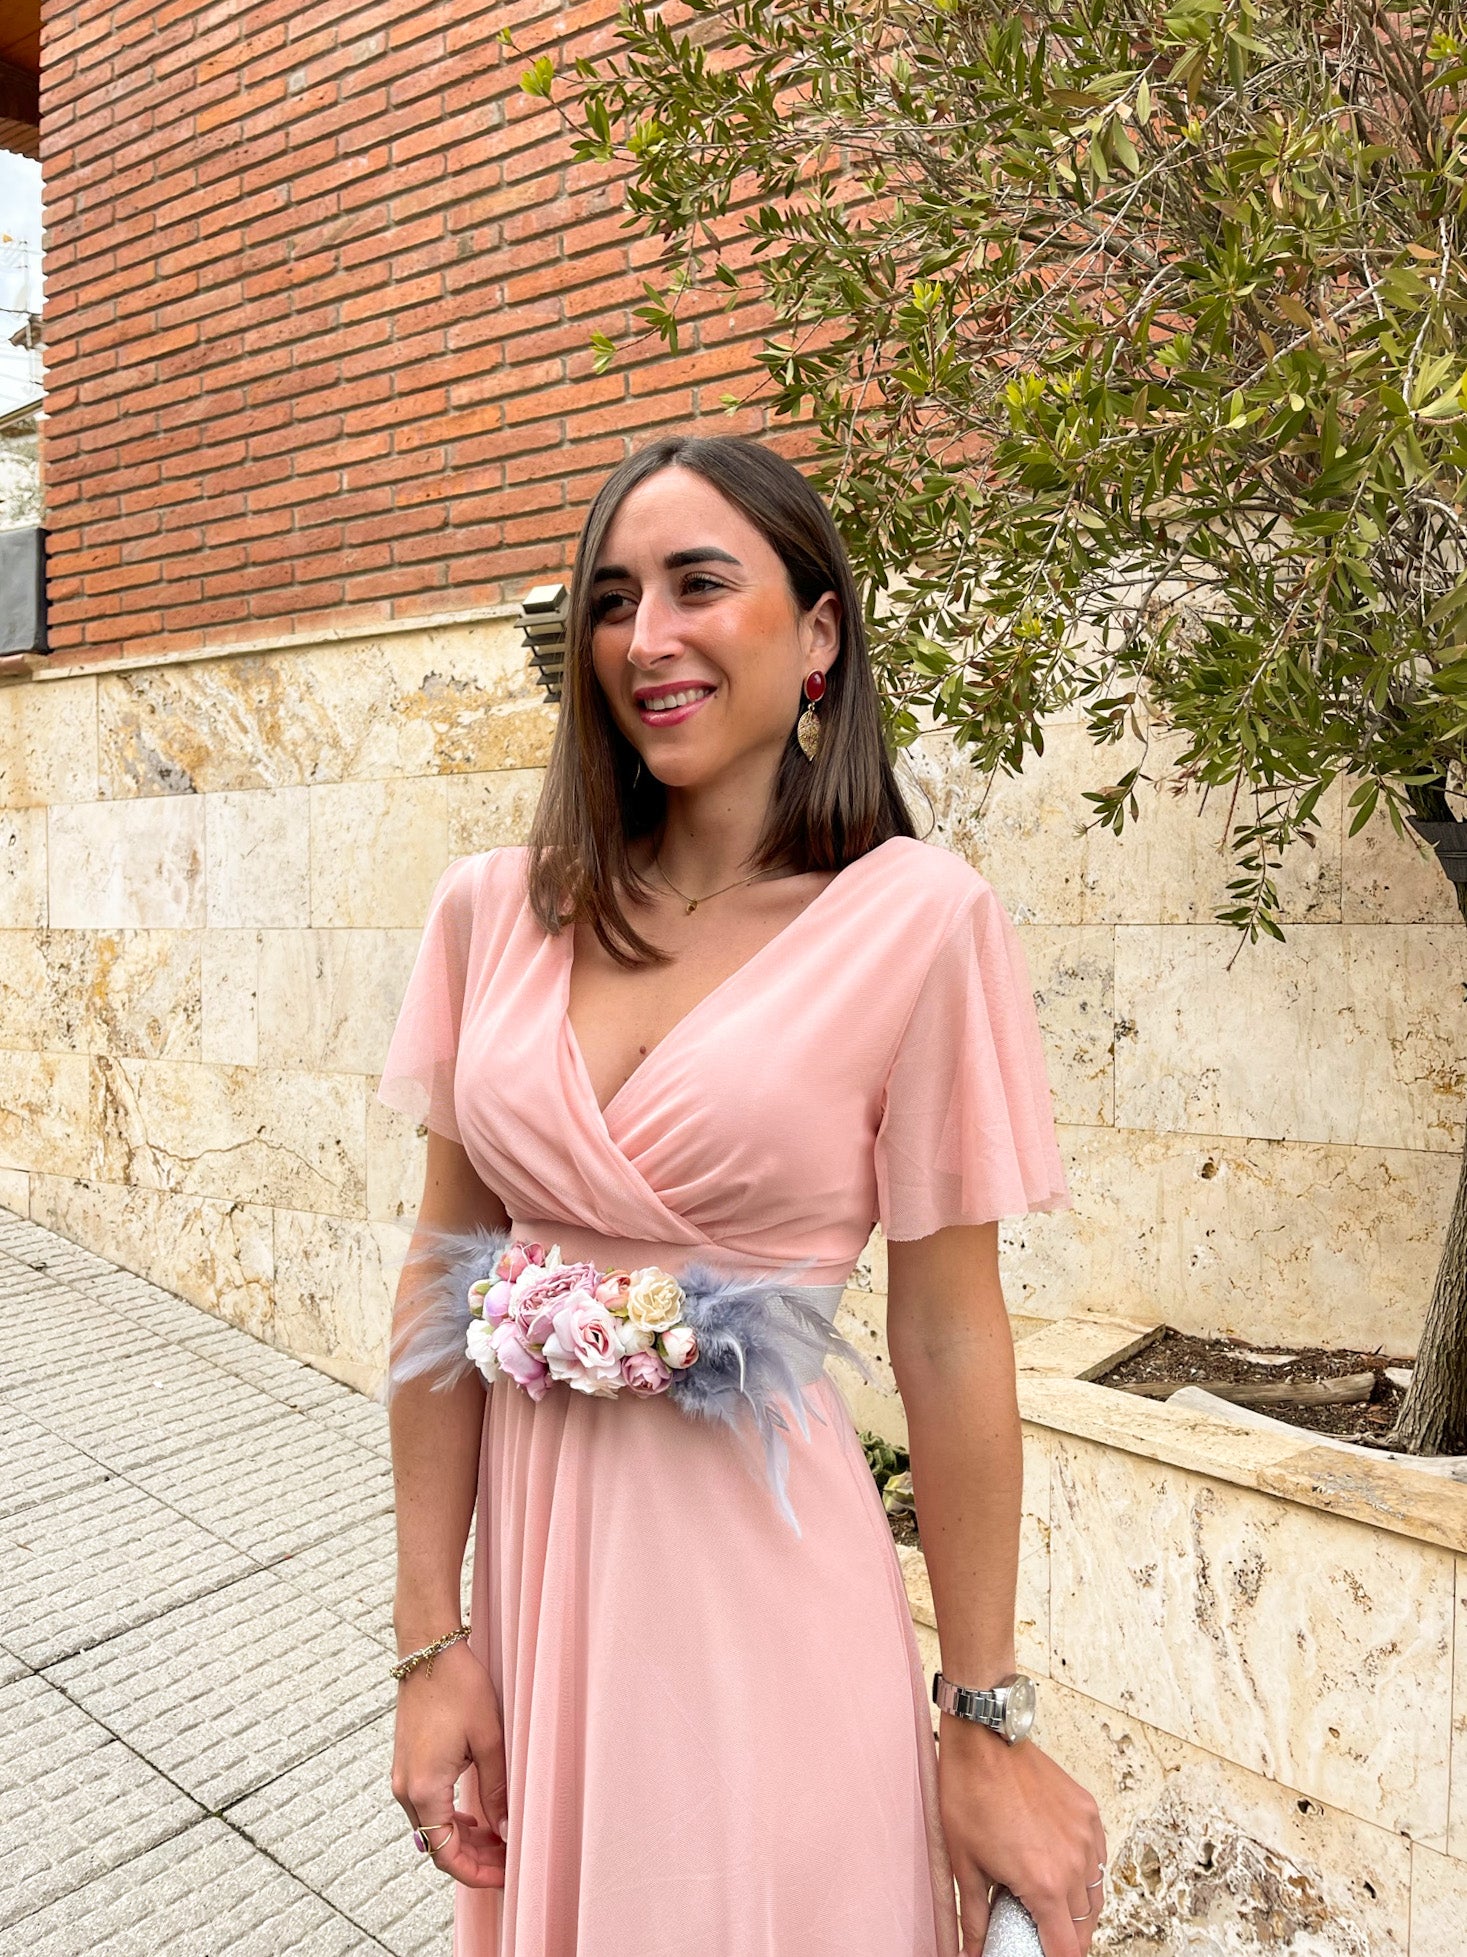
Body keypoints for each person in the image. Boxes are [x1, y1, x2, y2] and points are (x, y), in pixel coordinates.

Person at [376, 432, 1107, 1956]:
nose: (650, 639)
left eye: (702, 584)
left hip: (772, 1603)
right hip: (541, 1600)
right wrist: (428, 1641)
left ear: (819, 632)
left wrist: (982, 1710)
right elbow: (442, 1284)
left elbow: (954, 1338)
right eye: (612, 598)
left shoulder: (917, 924)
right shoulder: (488, 915)